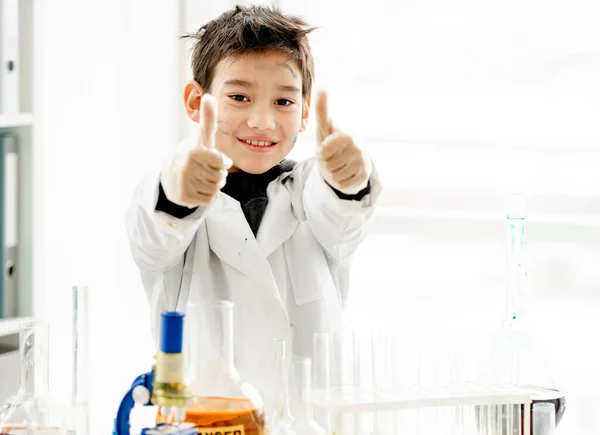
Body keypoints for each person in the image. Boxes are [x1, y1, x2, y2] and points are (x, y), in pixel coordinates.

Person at [125, 3, 382, 416]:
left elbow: (342, 213)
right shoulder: (168, 195)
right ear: (196, 101)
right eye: (239, 97)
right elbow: (155, 234)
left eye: (283, 101)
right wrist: (181, 190)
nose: (262, 121)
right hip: (206, 422)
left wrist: (350, 180)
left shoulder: (312, 195)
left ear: (304, 111)